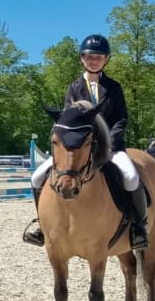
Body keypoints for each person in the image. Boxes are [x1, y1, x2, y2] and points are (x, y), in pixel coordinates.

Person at [23, 34, 148, 251]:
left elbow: (121, 119)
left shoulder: (114, 88)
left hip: (110, 149)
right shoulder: (73, 88)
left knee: (131, 176)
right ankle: (42, 226)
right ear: (82, 58)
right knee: (36, 177)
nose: (94, 60)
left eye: (99, 57)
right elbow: (67, 120)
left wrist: (107, 142)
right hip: (77, 150)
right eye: (90, 57)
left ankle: (138, 227)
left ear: (106, 59)